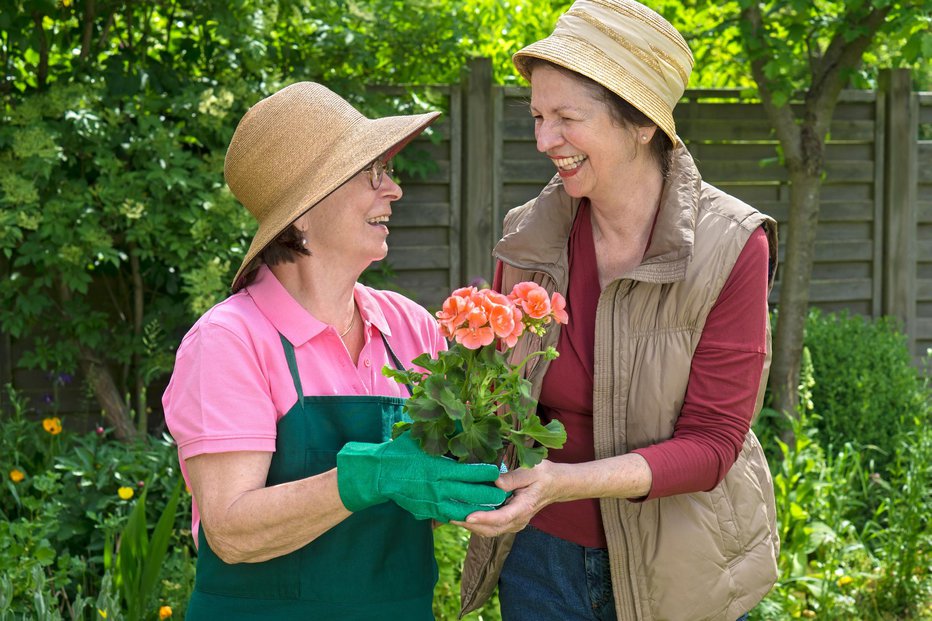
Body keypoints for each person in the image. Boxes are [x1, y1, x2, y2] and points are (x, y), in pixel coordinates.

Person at [457, 1, 780, 620]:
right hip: (540, 562)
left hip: (682, 570)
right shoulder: (527, 235)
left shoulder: (732, 243)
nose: (544, 140)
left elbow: (713, 445)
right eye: (538, 116)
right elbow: (502, 402)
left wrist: (563, 483)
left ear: (641, 125)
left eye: (567, 118)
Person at [162, 82, 506, 620]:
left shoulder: (408, 326)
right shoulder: (230, 341)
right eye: (371, 174)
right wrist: (372, 475)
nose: (392, 190)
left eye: (387, 172)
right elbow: (230, 530)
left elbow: (437, 483)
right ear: (302, 213)